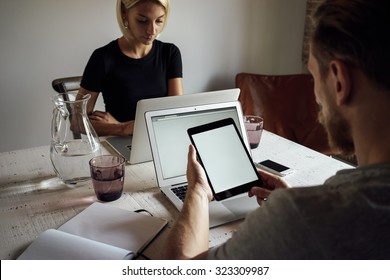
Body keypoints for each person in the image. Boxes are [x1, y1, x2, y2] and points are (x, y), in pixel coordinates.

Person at [164, 0, 390, 259]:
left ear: (339, 81)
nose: (316, 97)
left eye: (314, 77)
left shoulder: (303, 217)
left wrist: (198, 191)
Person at [78, 0, 183, 136]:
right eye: (142, 20)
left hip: (162, 139)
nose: (152, 30)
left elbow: (177, 114)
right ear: (124, 14)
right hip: (120, 143)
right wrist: (122, 129)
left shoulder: (170, 53)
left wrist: (123, 126)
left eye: (159, 21)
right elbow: (77, 121)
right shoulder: (103, 57)